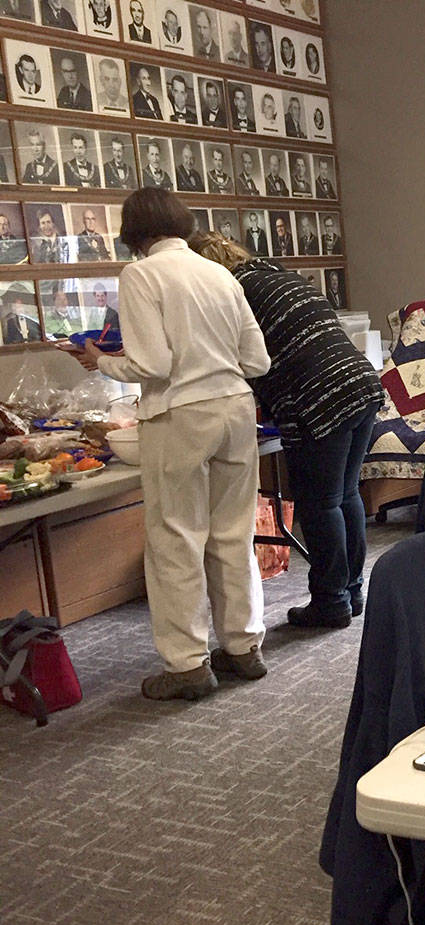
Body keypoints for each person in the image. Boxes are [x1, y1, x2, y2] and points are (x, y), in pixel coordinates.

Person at [69, 188, 271, 700]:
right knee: (232, 532)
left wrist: (102, 360)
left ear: (133, 233)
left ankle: (186, 666)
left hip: (179, 412)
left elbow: (153, 365)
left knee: (176, 538)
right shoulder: (219, 272)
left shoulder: (140, 275)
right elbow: (258, 361)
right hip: (235, 407)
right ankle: (243, 647)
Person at [191, 231, 385, 627]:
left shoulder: (229, 292)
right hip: (360, 383)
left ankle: (331, 603)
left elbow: (238, 359)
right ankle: (351, 591)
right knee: (345, 494)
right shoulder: (277, 275)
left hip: (319, 396)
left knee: (321, 503)